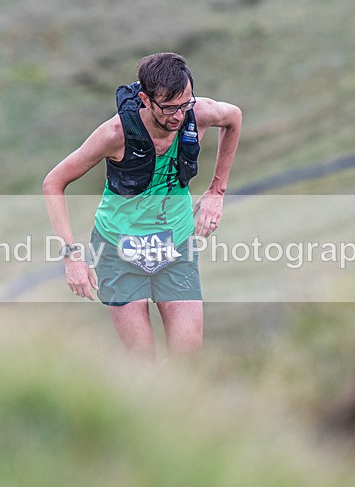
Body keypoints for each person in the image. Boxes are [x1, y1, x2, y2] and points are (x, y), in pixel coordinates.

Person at [43, 52, 242, 360]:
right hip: (118, 250)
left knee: (188, 360)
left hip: (176, 245)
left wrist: (217, 189)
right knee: (143, 362)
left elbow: (234, 118)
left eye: (184, 104)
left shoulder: (198, 113)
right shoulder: (115, 134)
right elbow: (53, 183)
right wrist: (71, 256)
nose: (178, 116)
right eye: (168, 107)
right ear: (145, 100)